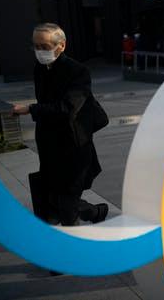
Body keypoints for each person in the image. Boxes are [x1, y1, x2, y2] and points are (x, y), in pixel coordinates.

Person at [12, 23, 108, 226]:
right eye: (35, 46)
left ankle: (73, 249)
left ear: (61, 46)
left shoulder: (78, 71)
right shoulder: (40, 68)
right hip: (48, 144)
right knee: (57, 199)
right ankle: (96, 212)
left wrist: (31, 109)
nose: (39, 52)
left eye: (44, 47)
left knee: (67, 202)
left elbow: (67, 108)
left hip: (74, 145)